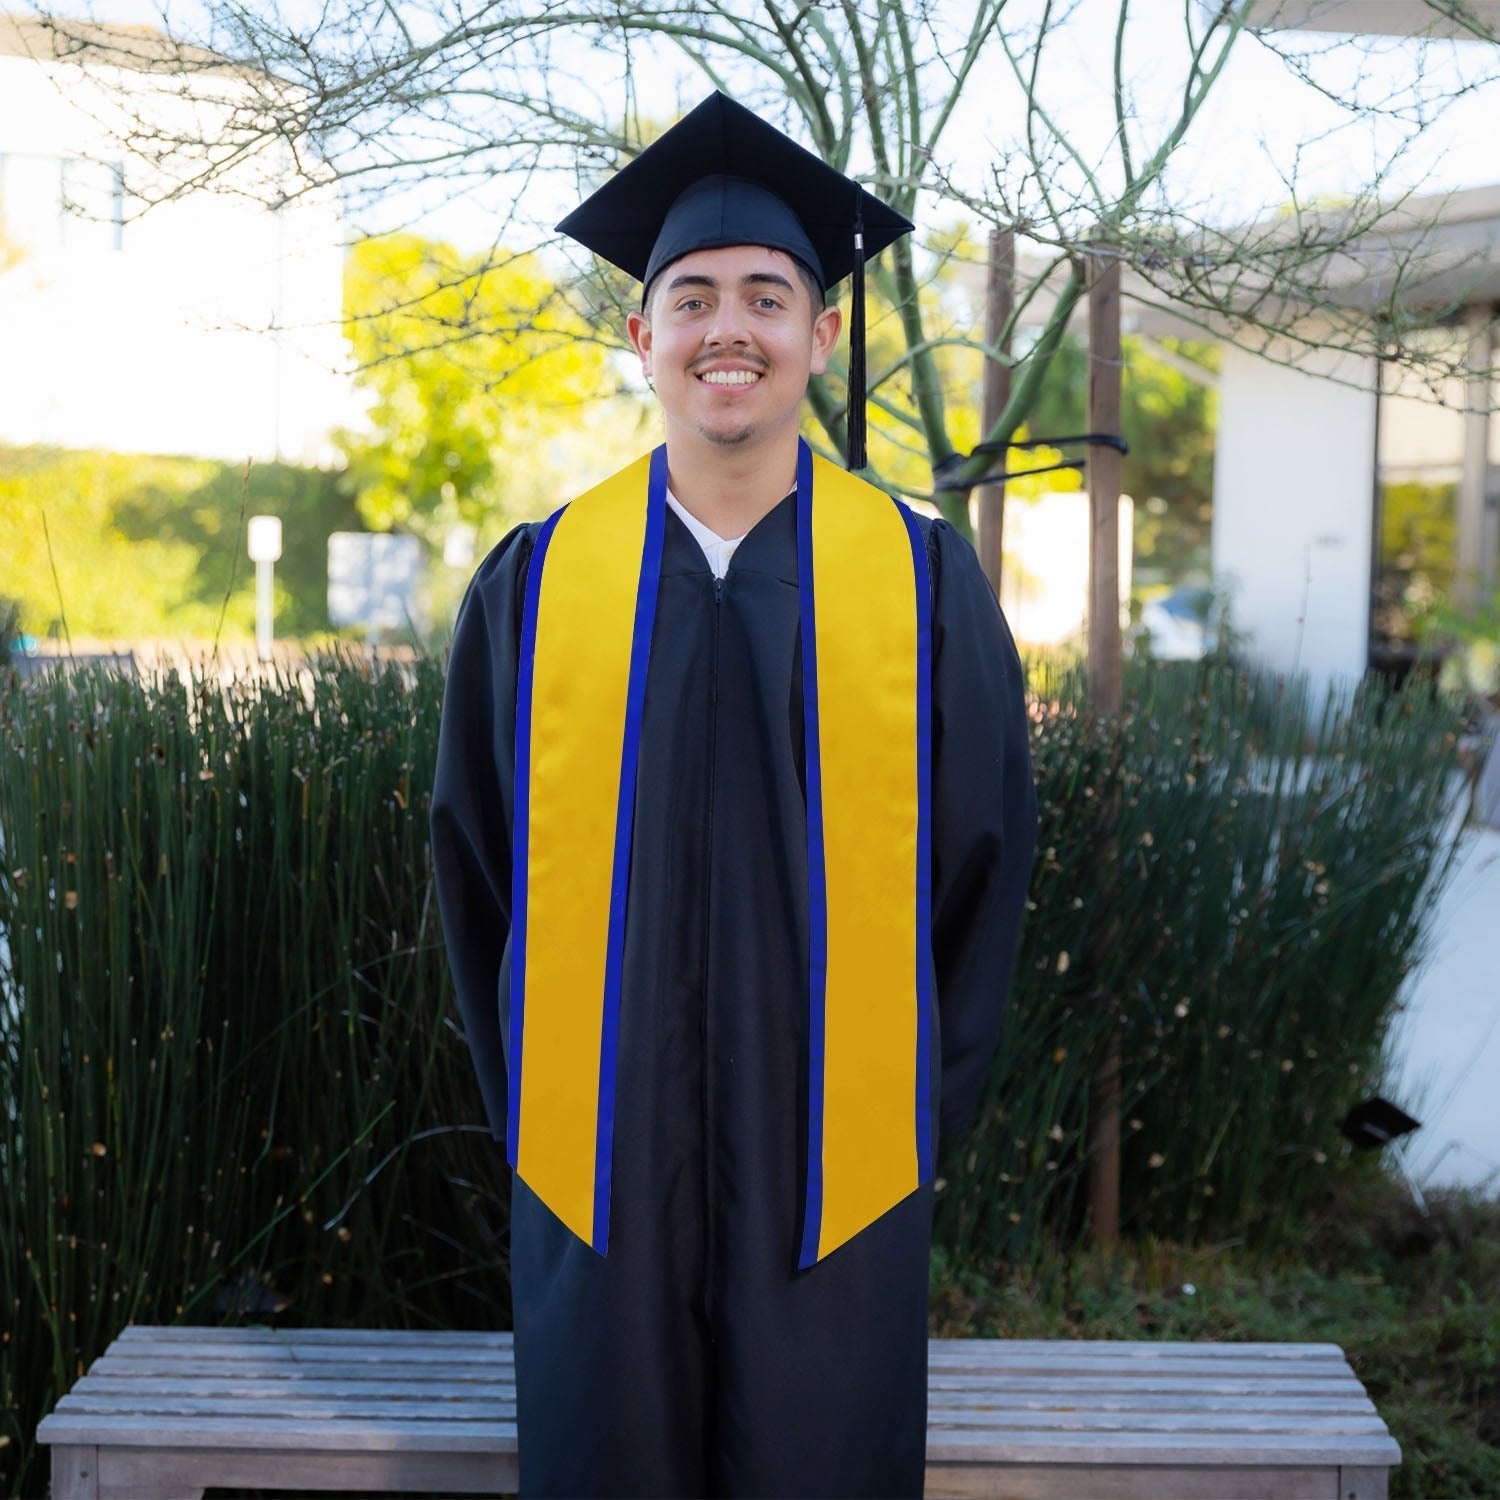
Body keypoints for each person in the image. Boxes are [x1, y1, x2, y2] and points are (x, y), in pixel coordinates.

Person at [430, 91, 1037, 1500]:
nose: (730, 330)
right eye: (691, 297)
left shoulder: (922, 585)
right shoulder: (535, 585)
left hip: (836, 1172)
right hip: (600, 1172)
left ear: (822, 334)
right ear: (640, 336)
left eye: (769, 296)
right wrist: (544, 1112)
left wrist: (901, 1121)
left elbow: (980, 876)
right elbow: (475, 877)